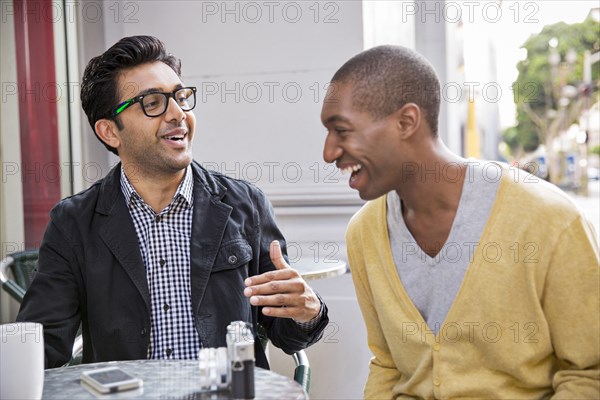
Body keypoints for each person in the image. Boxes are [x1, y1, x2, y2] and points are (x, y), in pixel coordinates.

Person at [17, 35, 328, 369]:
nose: (178, 113)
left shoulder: (245, 204)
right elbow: (41, 349)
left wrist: (308, 311)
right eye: (153, 103)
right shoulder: (74, 223)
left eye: (180, 97)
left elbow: (286, 333)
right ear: (109, 132)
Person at [321, 45, 599, 398]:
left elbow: (589, 374)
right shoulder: (363, 234)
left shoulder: (549, 220)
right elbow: (388, 365)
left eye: (341, 131)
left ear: (406, 122)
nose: (328, 153)